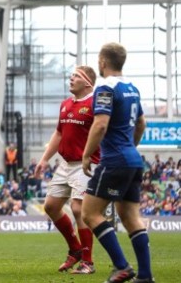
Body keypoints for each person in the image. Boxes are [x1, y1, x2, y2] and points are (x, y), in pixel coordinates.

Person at [81, 43, 153, 283]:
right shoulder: (132, 88)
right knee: (130, 215)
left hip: (114, 160)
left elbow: (100, 124)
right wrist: (129, 147)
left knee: (89, 213)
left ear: (102, 62)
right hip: (133, 159)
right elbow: (141, 123)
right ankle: (145, 276)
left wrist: (86, 154)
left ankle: (122, 266)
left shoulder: (105, 86)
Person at [35, 65, 98, 274]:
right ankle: (75, 249)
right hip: (65, 164)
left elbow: (102, 131)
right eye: (70, 76)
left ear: (88, 82)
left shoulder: (95, 104)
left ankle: (87, 262)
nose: (71, 79)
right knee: (51, 206)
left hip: (86, 164)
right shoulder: (66, 104)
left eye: (76, 77)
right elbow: (59, 135)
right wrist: (44, 159)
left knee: (79, 209)